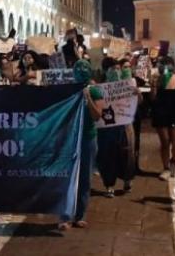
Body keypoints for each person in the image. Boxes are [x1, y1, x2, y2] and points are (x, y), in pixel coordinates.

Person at [58, 59, 104, 231]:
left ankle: (80, 215)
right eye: (78, 69)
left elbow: (97, 115)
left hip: (87, 138)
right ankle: (65, 216)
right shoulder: (69, 90)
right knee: (68, 178)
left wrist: (88, 98)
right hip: (70, 139)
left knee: (84, 178)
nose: (81, 72)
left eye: (84, 69)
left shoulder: (94, 91)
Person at [96, 58, 138, 198]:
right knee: (107, 155)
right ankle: (109, 185)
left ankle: (127, 179)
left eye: (118, 69)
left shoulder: (127, 84)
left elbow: (139, 102)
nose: (116, 71)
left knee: (127, 153)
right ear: (105, 71)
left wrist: (136, 93)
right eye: (113, 69)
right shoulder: (99, 86)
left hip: (125, 125)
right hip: (107, 126)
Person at [150, 56, 175, 180]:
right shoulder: (157, 79)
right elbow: (153, 98)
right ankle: (165, 168)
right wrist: (154, 86)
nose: (166, 68)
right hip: (161, 112)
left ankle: (173, 160)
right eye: (163, 65)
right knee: (165, 141)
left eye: (168, 65)